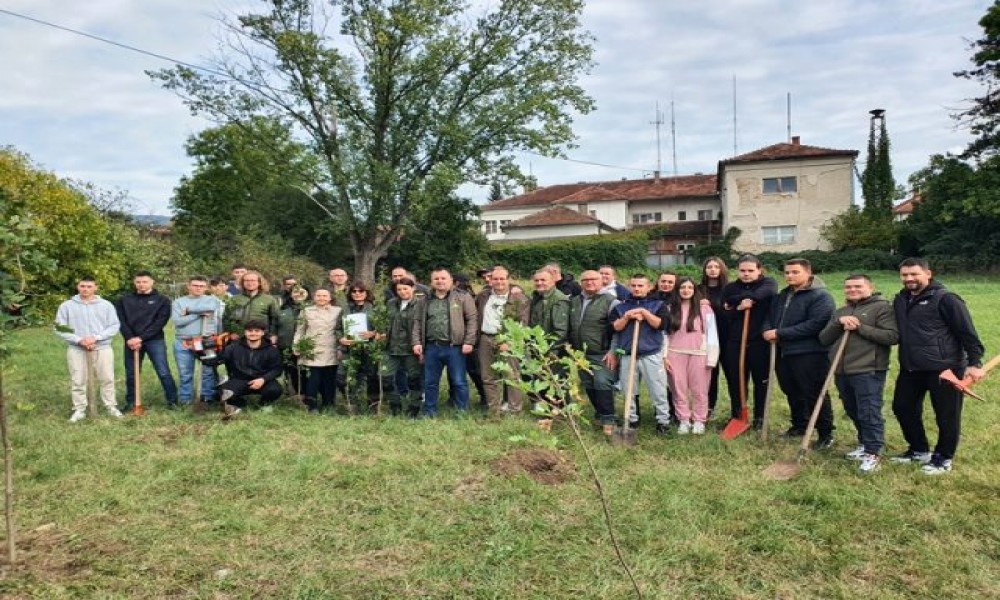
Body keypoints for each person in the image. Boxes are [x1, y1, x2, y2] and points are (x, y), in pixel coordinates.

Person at [889, 258, 985, 475]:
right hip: (911, 367)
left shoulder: (946, 299)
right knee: (902, 407)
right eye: (904, 275)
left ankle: (943, 458)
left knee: (946, 416)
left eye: (914, 274)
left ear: (928, 274)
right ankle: (918, 450)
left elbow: (967, 333)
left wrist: (974, 362)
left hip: (945, 369)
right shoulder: (900, 299)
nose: (909, 278)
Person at [818, 274, 898, 473]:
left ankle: (873, 453)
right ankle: (864, 444)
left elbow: (891, 336)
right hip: (841, 369)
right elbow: (824, 339)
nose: (852, 290)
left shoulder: (882, 308)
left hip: (868, 369)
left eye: (858, 286)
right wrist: (838, 323)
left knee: (868, 411)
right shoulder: (841, 311)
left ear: (870, 287)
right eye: (848, 287)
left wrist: (860, 327)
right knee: (852, 409)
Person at [763, 259, 836, 448]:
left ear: (808, 273)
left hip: (810, 352)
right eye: (787, 272)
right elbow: (770, 317)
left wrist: (781, 333)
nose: (790, 276)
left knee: (813, 392)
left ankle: (825, 433)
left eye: (795, 272)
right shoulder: (783, 295)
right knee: (791, 390)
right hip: (783, 351)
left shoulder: (820, 296)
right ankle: (799, 425)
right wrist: (767, 330)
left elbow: (816, 324)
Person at [411, 268, 478, 417]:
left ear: (451, 281)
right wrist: (416, 342)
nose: (440, 281)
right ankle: (429, 411)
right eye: (436, 279)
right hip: (432, 347)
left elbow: (472, 320)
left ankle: (462, 412)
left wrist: (469, 341)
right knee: (430, 382)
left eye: (443, 278)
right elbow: (417, 322)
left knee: (459, 381)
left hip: (455, 347)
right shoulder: (424, 300)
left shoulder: (463, 297)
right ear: (431, 282)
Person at [721, 255, 777, 428]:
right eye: (742, 270)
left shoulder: (768, 283)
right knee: (736, 380)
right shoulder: (730, 287)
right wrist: (739, 306)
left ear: (759, 270)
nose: (746, 274)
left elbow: (762, 295)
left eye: (750, 270)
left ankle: (759, 417)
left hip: (760, 342)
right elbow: (725, 312)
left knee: (761, 381)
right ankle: (738, 415)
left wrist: (737, 299)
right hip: (736, 342)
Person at [55, 277, 122, 422]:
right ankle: (79, 409)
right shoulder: (67, 306)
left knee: (107, 378)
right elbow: (59, 327)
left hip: (102, 348)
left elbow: (114, 326)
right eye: (82, 286)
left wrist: (96, 338)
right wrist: (79, 340)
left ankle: (111, 406)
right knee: (78, 379)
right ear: (78, 287)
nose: (85, 289)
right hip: (77, 349)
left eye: (89, 286)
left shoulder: (106, 305)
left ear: (95, 287)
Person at [612, 274, 672, 434]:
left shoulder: (658, 305)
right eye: (633, 285)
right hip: (628, 354)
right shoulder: (621, 307)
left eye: (640, 286)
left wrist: (644, 313)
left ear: (648, 287)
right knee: (629, 389)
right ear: (629, 286)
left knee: (657, 389)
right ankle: (631, 419)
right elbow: (615, 327)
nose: (637, 289)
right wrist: (627, 317)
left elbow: (661, 325)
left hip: (651, 353)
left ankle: (663, 421)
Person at [114, 270, 178, 410]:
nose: (141, 284)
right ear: (134, 282)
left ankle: (172, 401)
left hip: (154, 340)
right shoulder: (124, 300)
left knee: (163, 371)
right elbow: (120, 320)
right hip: (131, 341)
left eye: (145, 282)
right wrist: (130, 338)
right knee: (131, 373)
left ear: (152, 282)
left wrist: (141, 338)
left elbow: (159, 323)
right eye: (138, 282)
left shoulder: (163, 300)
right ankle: (131, 403)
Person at [664, 277, 719, 435]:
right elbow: (664, 335)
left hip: (699, 354)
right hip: (675, 354)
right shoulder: (669, 309)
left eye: (689, 287)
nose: (686, 290)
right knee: (678, 389)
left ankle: (699, 420)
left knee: (700, 389)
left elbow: (712, 334)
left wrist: (712, 358)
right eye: (682, 287)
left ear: (694, 290)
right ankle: (684, 420)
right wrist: (664, 356)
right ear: (677, 290)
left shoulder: (705, 309)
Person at [568, 270, 619, 431]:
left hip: (602, 352)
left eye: (594, 279)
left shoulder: (611, 302)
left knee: (602, 382)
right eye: (586, 280)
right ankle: (600, 414)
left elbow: (617, 330)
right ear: (580, 282)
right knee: (588, 383)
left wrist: (613, 351)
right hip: (581, 353)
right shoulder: (574, 301)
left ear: (601, 280)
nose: (589, 282)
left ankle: (609, 419)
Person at [476, 266, 530, 416]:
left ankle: (514, 409)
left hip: (508, 340)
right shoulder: (483, 296)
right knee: (487, 376)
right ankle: (494, 408)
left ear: (508, 280)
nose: (499, 282)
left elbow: (523, 323)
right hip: (486, 338)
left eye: (502, 278)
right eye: (495, 278)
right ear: (490, 280)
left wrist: (510, 341)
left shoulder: (520, 298)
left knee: (511, 375)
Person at [172, 275, 223, 408]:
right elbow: (177, 322)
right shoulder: (179, 302)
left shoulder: (212, 300)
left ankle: (207, 399)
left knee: (208, 372)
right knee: (185, 373)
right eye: (195, 285)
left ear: (206, 287)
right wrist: (197, 315)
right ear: (188, 286)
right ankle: (185, 401)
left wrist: (189, 311)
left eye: (201, 286)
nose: (198, 288)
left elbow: (211, 308)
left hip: (206, 341)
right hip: (184, 342)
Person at [213, 320, 284, 412]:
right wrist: (207, 355)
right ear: (245, 332)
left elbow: (277, 369)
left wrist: (263, 379)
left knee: (275, 390)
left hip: (262, 381)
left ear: (262, 333)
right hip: (239, 380)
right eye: (250, 331)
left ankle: (264, 403)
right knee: (221, 393)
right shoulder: (233, 347)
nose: (253, 333)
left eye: (257, 331)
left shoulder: (271, 350)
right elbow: (219, 359)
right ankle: (240, 403)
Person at [294, 288, 343, 413]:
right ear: (314, 297)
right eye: (318, 295)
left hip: (331, 348)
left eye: (325, 296)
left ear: (330, 297)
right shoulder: (306, 311)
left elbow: (341, 330)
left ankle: (329, 404)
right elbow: (300, 330)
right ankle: (312, 405)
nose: (321, 298)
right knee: (313, 379)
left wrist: (340, 348)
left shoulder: (338, 311)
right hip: (312, 349)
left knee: (329, 378)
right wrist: (297, 346)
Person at [338, 283, 383, 412]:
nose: (357, 293)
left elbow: (382, 328)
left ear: (366, 293)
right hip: (350, 349)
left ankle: (373, 406)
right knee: (345, 377)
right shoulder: (345, 309)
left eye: (361, 291)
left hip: (369, 348)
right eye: (354, 291)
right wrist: (341, 339)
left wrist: (373, 333)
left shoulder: (374, 308)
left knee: (372, 377)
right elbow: (338, 328)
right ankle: (352, 404)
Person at [385, 278, 424, 417]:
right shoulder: (391, 303)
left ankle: (414, 407)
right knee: (386, 377)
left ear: (413, 288)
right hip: (391, 347)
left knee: (414, 379)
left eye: (405, 289)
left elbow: (422, 327)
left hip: (411, 349)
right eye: (399, 289)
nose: (402, 292)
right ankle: (395, 404)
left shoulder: (421, 304)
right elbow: (385, 321)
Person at [698, 257, 729, 419]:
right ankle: (709, 407)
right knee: (710, 374)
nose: (713, 270)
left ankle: (737, 411)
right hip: (707, 338)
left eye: (716, 266)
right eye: (709, 266)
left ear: (722, 269)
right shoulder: (698, 290)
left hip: (727, 337)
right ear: (705, 270)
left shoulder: (729, 289)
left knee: (732, 374)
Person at [224, 270, 281, 343]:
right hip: (238, 338)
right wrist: (231, 332)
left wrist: (273, 335)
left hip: (262, 338)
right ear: (242, 283)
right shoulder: (234, 299)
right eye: (247, 280)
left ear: (259, 282)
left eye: (253, 280)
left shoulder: (269, 299)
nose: (250, 283)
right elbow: (226, 317)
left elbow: (275, 319)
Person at [277, 280, 310, 396]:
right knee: (291, 370)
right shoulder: (282, 309)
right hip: (286, 344)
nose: (298, 294)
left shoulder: (312, 308)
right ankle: (293, 394)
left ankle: (307, 394)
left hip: (307, 346)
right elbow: (274, 325)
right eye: (295, 292)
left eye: (301, 292)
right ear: (290, 294)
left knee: (305, 372)